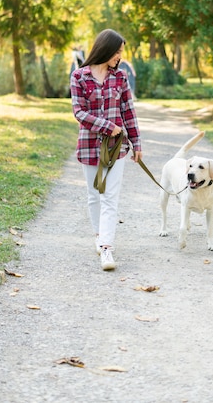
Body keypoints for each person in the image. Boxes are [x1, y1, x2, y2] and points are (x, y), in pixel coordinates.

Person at [70, 29, 142, 271]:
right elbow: (79, 113)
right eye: (117, 52)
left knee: (110, 197)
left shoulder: (120, 77)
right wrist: (107, 126)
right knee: (94, 195)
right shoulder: (79, 77)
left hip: (117, 147)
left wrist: (136, 142)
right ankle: (100, 235)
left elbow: (128, 111)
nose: (119, 57)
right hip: (90, 146)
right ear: (106, 49)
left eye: (120, 52)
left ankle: (107, 249)